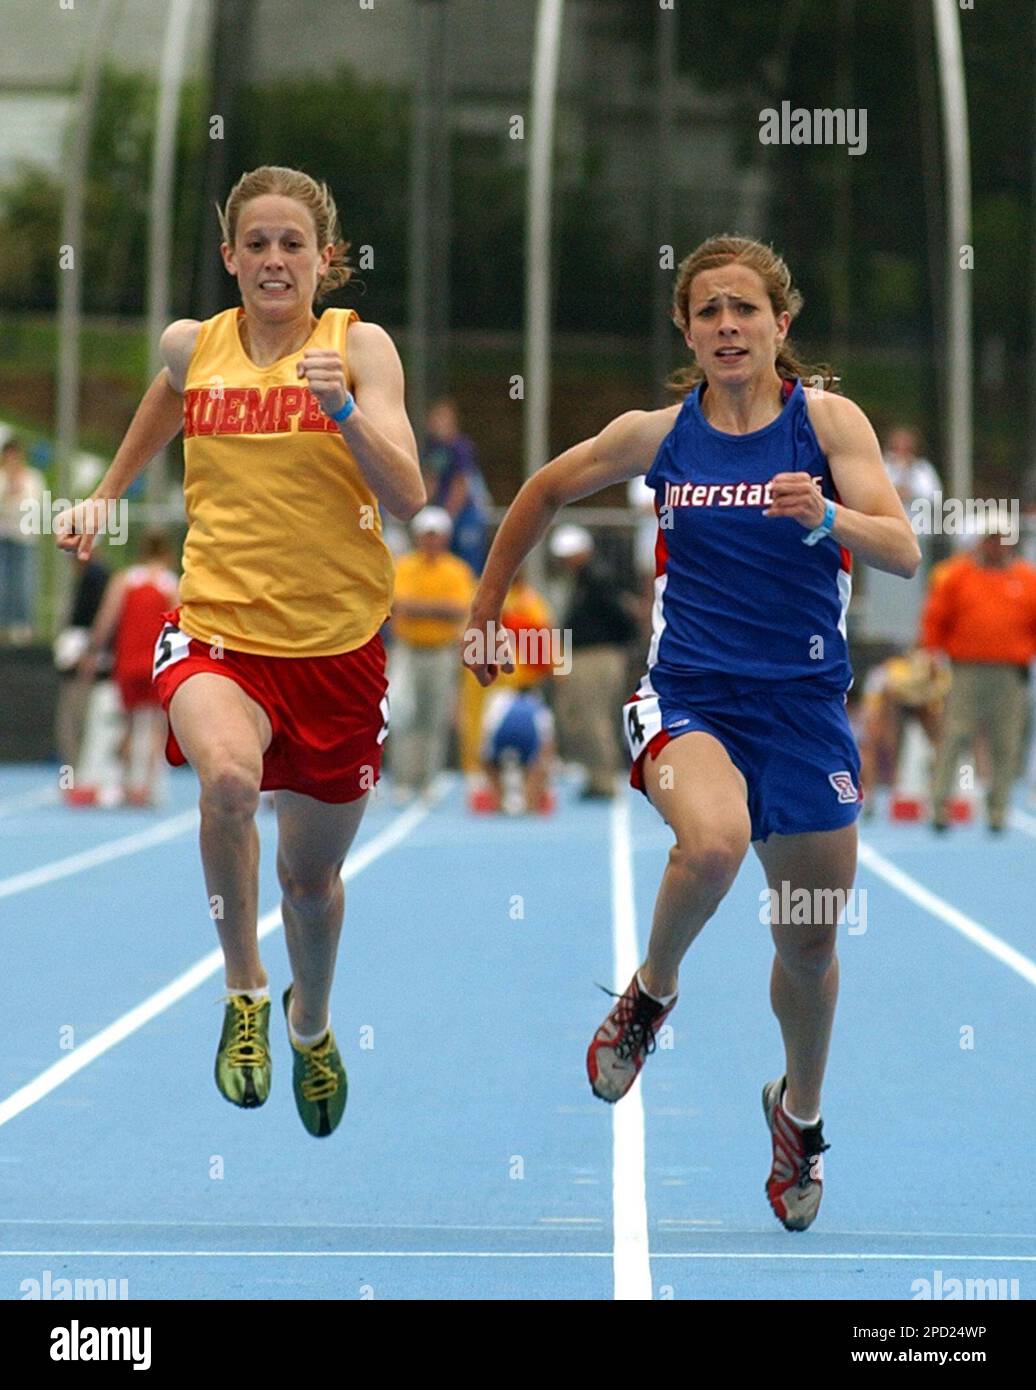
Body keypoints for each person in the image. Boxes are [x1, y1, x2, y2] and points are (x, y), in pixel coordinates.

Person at [464, 235, 920, 1231]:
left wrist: (829, 515)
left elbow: (904, 549)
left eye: (744, 310)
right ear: (686, 327)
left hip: (803, 713)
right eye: (707, 310)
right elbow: (542, 488)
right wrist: (487, 603)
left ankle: (797, 1114)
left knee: (807, 945)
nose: (726, 326)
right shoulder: (657, 434)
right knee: (709, 843)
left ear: (779, 323)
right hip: (691, 700)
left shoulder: (826, 424)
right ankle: (649, 995)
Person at [55, 165, 425, 1138]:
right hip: (219, 632)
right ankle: (244, 994)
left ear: (324, 261)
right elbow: (167, 396)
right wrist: (107, 491)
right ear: (228, 257)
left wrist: (343, 408)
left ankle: (310, 1018)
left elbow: (412, 494)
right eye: (254, 244)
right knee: (225, 779)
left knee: (311, 885)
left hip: (337, 650)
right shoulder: (195, 346)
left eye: (291, 244)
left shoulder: (361, 349)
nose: (272, 260)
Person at [919, 521, 1036, 833]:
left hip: (1010, 674)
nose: (996, 545)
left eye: (1001, 539)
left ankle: (998, 810)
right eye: (991, 539)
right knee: (955, 737)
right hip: (967, 670)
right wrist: (931, 653)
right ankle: (940, 806)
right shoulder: (958, 575)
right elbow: (935, 617)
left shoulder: (1026, 578)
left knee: (1006, 743)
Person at [78, 531, 180, 807]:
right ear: (167, 555)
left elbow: (105, 621)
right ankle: (146, 786)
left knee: (128, 722)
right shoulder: (171, 585)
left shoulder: (124, 580)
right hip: (157, 663)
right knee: (156, 726)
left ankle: (124, 784)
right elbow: (179, 627)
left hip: (128, 662)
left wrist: (92, 653)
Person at [388, 506, 475, 800]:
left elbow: (460, 609)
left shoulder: (457, 570)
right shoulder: (404, 566)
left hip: (440, 652)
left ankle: (428, 781)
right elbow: (397, 605)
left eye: (436, 536)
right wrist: (438, 609)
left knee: (435, 716)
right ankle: (403, 779)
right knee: (402, 715)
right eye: (427, 536)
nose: (432, 542)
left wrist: (419, 608)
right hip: (408, 650)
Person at [549, 524, 639, 799]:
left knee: (595, 717)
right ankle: (594, 774)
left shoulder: (598, 581)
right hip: (584, 655)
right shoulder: (578, 582)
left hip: (597, 655)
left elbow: (624, 617)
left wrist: (617, 646)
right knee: (582, 718)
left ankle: (604, 778)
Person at [422, 398, 491, 575]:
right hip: (443, 510)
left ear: (453, 422)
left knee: (468, 558)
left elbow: (461, 484)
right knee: (445, 557)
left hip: (466, 512)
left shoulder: (461, 447)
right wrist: (421, 507)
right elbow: (431, 479)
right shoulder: (434, 447)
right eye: (435, 419)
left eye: (443, 419)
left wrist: (449, 515)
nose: (438, 424)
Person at [0, 436, 44, 643]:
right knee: (3, 584)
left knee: (23, 584)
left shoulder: (33, 479)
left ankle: (23, 626)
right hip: (3, 537)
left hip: (24, 539)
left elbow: (34, 507)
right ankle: (4, 625)